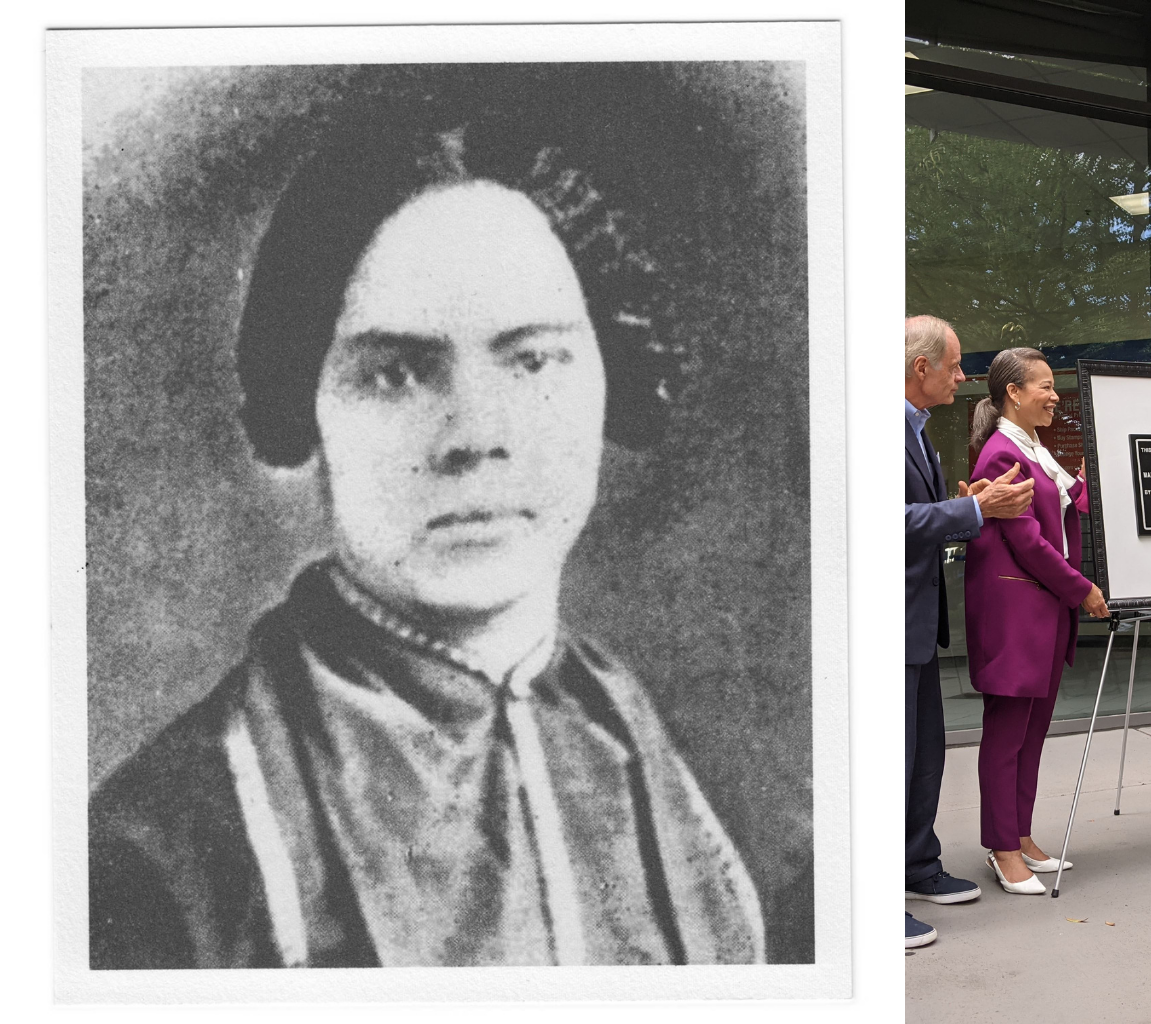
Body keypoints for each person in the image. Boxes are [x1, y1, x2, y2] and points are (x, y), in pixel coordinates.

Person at [88, 122, 766, 967]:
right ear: (306, 404)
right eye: (395, 373)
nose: (475, 435)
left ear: (610, 372)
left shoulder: (637, 742)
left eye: (533, 361)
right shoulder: (160, 855)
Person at [903, 315, 1033, 946]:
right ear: (920, 367)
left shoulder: (916, 428)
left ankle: (916, 865)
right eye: (954, 366)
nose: (962, 376)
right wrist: (975, 508)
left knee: (924, 755)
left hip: (918, 624)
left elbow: (923, 513)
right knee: (891, 762)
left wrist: (968, 505)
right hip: (888, 623)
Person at [964, 347, 1108, 894]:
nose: (1054, 396)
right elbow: (1027, 542)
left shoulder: (1035, 449)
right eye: (1044, 386)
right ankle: (1002, 848)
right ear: (1013, 393)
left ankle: (1020, 836)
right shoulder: (1002, 455)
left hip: (1043, 612)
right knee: (1007, 738)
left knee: (1031, 734)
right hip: (1015, 617)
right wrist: (1082, 589)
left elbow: (1072, 502)